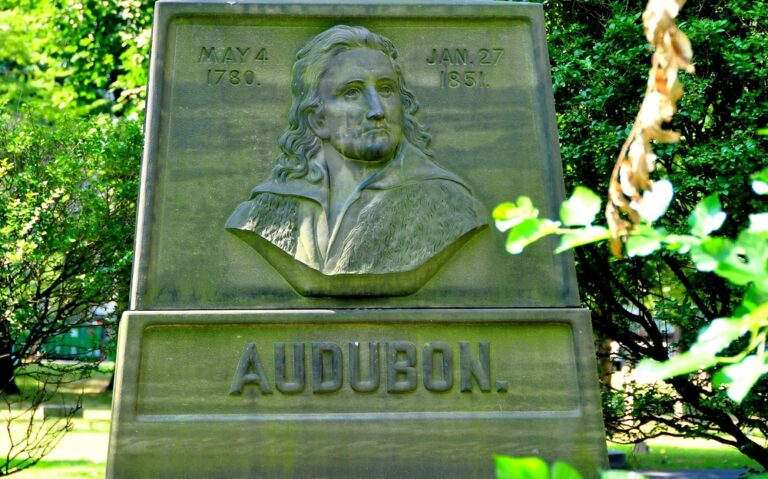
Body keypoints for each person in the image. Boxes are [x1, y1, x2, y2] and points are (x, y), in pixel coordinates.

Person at [226, 25, 486, 276]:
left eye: (386, 89)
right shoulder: (264, 211)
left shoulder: (449, 206)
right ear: (318, 119)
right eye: (352, 93)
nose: (377, 110)